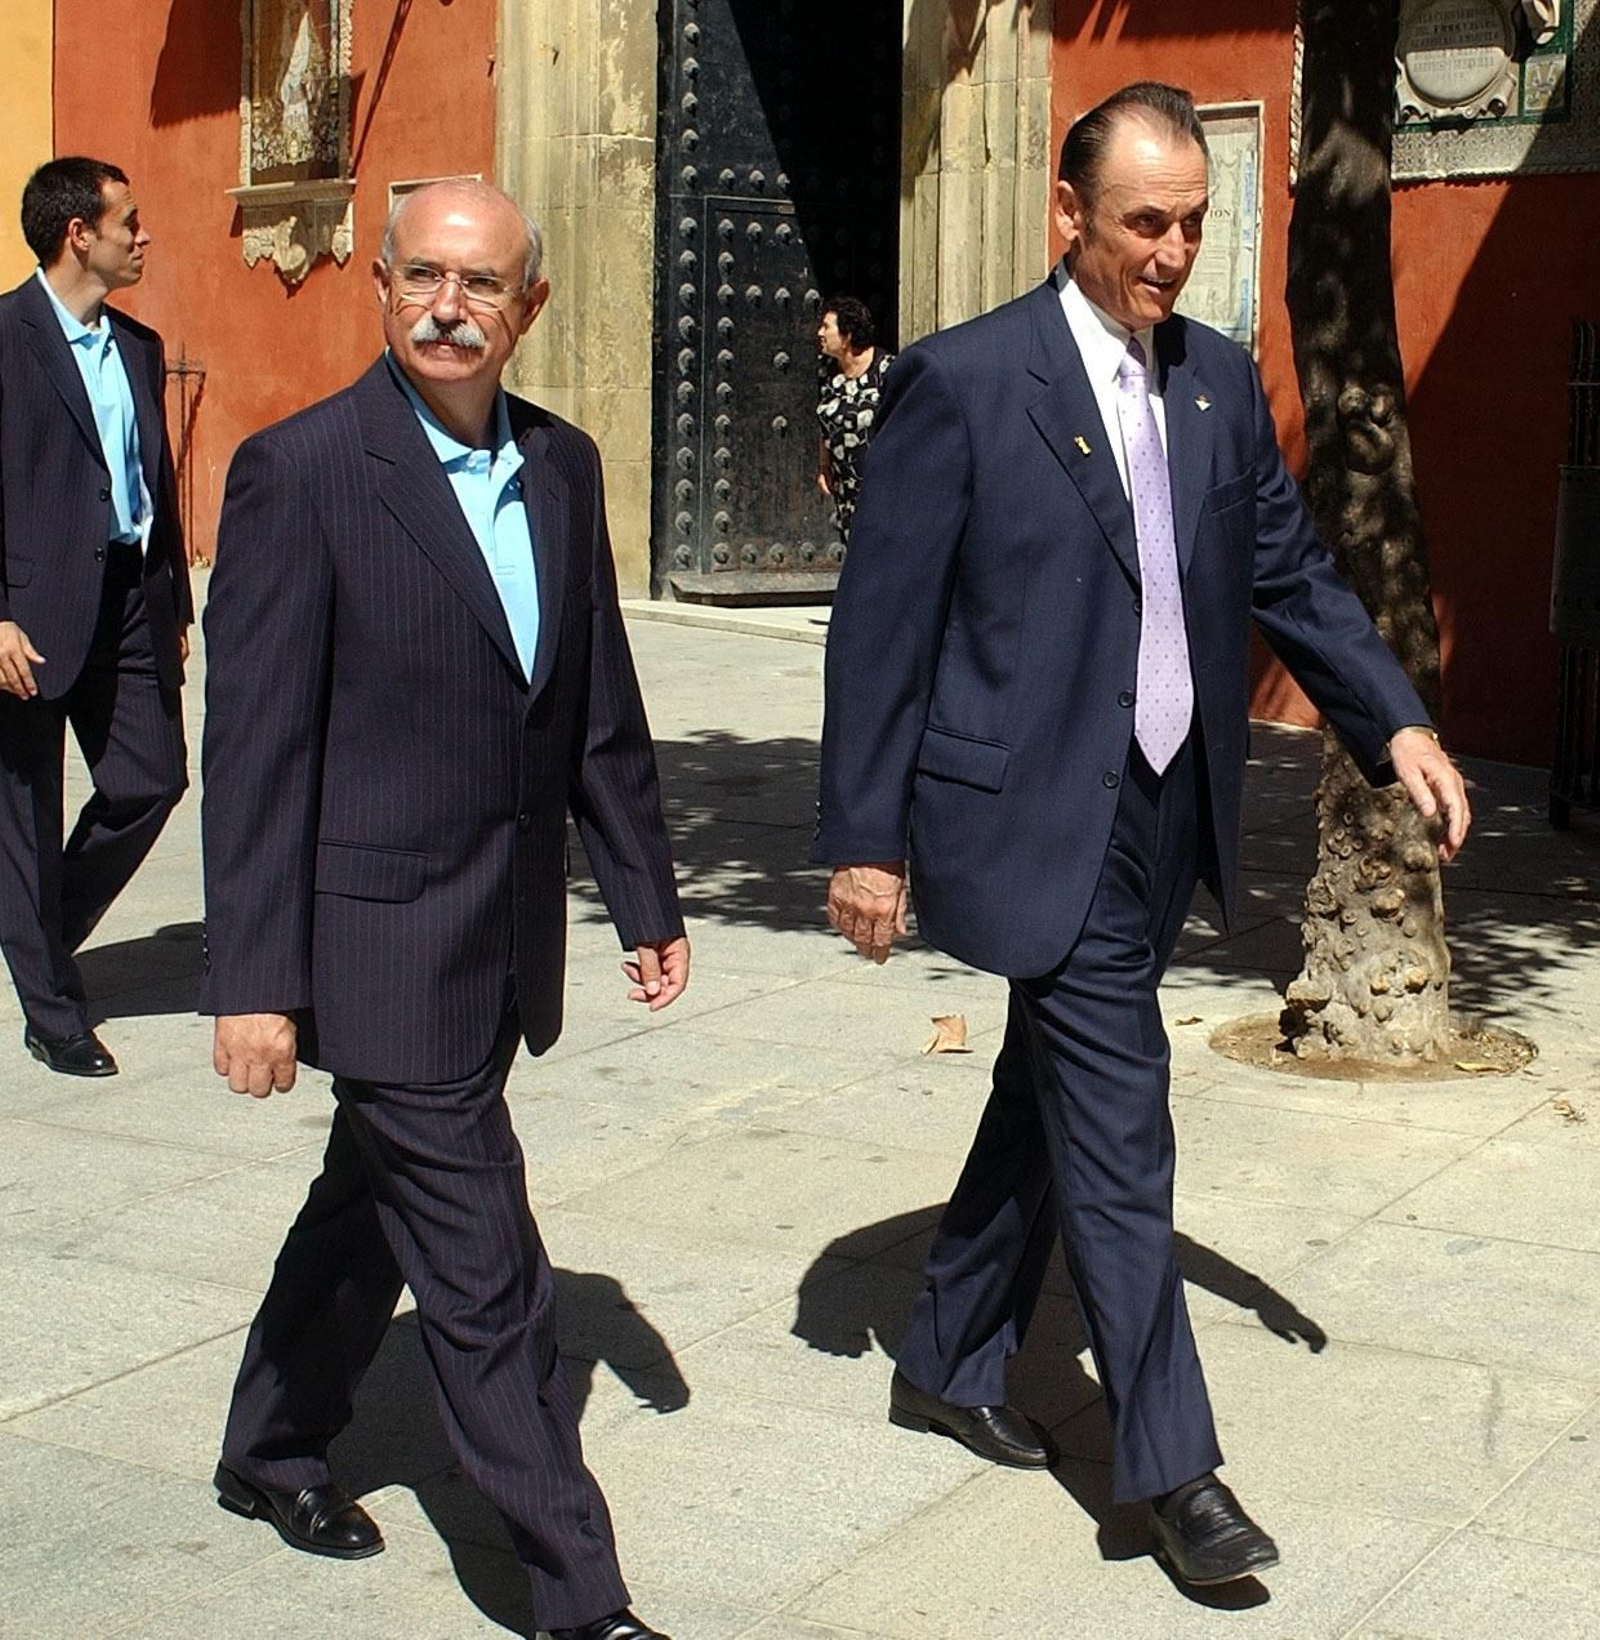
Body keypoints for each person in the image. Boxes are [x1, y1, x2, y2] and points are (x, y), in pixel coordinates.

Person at [813, 82, 1471, 1589]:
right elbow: (882, 626)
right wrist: (865, 837)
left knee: (1055, 1081)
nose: (1173, 252)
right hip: (1030, 804)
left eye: (1191, 223)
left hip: (1169, 806)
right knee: (1121, 1123)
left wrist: (1402, 723)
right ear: (1070, 217)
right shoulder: (967, 383)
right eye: (1144, 224)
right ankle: (1173, 1471)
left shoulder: (1218, 385)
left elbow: (1293, 572)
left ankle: (953, 1346)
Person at [200, 179, 689, 1640]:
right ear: (383, 287)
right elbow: (256, 753)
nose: (447, 307)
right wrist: (250, 978)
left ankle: (269, 1444)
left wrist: (643, 895)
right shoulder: (306, 470)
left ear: (527, 308)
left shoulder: (560, 466)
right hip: (376, 931)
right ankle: (576, 1598)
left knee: (368, 1211)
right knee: (490, 1277)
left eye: (480, 286)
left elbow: (593, 710)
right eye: (421, 277)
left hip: (501, 933)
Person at [0, 157, 191, 1079]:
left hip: (128, 599)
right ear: (80, 232)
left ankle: (31, 930)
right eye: (131, 221)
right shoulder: (3, 337)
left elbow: (158, 482)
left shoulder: (141, 347)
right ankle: (52, 1009)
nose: (143, 236)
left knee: (152, 779)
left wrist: (175, 602)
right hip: (26, 614)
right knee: (24, 813)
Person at [815, 295, 894, 541]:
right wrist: (824, 466)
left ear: (847, 335)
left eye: (826, 327)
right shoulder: (828, 372)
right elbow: (825, 425)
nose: (820, 332)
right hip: (846, 489)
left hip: (882, 487)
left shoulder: (886, 370)